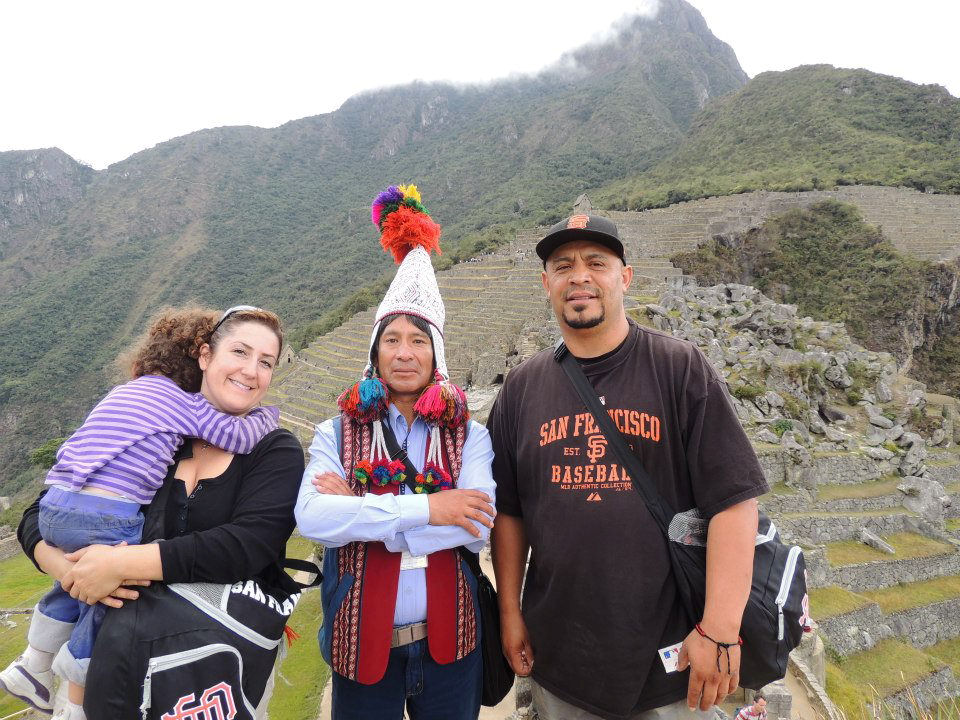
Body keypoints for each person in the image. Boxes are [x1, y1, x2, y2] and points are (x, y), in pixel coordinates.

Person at [487, 214, 768, 720]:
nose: (580, 276)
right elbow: (509, 513)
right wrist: (511, 612)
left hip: (671, 658)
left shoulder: (678, 367)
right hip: (562, 657)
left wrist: (720, 630)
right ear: (545, 282)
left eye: (597, 262)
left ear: (625, 277)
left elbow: (733, 500)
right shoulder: (521, 389)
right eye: (563, 265)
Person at [13, 305, 305, 720]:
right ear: (205, 356)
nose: (251, 371)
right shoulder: (158, 430)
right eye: (239, 352)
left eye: (266, 362)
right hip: (123, 663)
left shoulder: (274, 449)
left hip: (216, 668)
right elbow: (40, 512)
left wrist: (121, 563)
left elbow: (248, 546)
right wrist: (74, 573)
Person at [296, 184, 496, 720]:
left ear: (437, 355)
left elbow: (478, 522)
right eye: (392, 340)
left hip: (450, 645)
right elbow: (314, 517)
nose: (404, 353)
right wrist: (433, 508)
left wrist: (359, 511)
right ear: (374, 353)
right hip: (363, 644)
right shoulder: (335, 434)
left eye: (418, 340)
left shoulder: (469, 437)